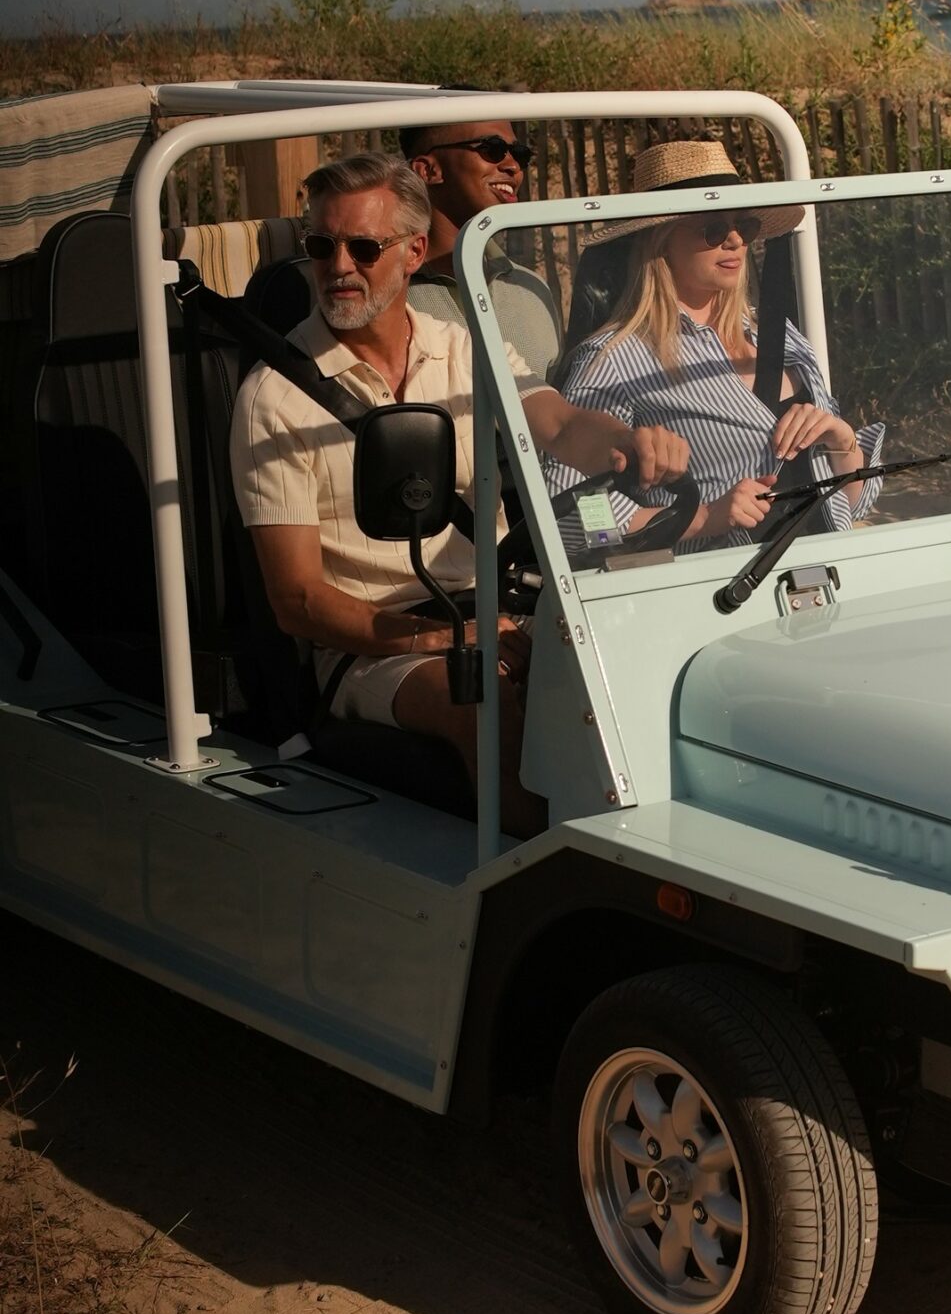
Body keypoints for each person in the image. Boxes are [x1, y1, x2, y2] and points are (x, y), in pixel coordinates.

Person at [230, 151, 688, 830]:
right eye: (321, 247)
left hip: (497, 608)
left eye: (363, 247)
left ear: (415, 251)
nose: (339, 267)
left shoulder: (465, 345)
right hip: (375, 646)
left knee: (655, 658)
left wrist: (632, 441)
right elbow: (297, 601)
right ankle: (542, 886)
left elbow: (557, 423)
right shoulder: (274, 396)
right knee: (487, 699)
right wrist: (442, 639)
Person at [550, 137, 882, 551]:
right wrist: (702, 518)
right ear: (660, 239)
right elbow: (570, 521)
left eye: (744, 226)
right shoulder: (614, 360)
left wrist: (840, 438)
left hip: (826, 581)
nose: (734, 240)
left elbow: (853, 502)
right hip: (718, 599)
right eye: (713, 227)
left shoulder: (778, 335)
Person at [399, 110, 562, 378]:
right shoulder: (387, 289)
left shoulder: (531, 289)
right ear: (427, 170)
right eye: (492, 149)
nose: (513, 167)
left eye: (519, 154)